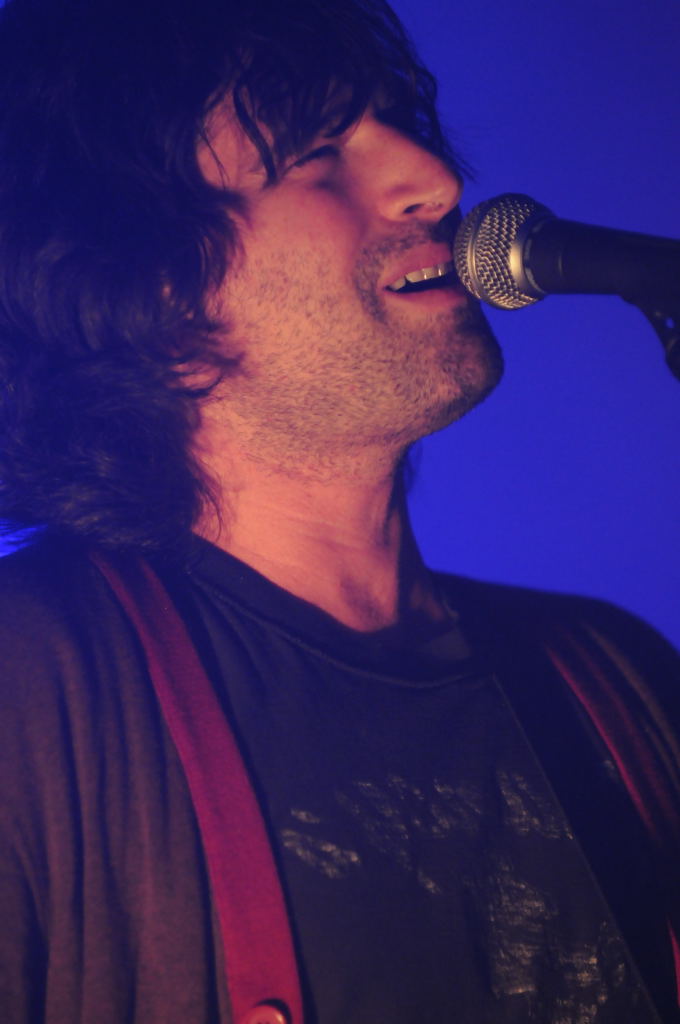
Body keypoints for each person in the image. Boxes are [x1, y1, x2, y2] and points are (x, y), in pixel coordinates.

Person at [0, 0, 678, 1021]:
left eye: (396, 120)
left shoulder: (616, 678)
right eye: (316, 150)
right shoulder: (28, 689)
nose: (434, 178)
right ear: (151, 276)